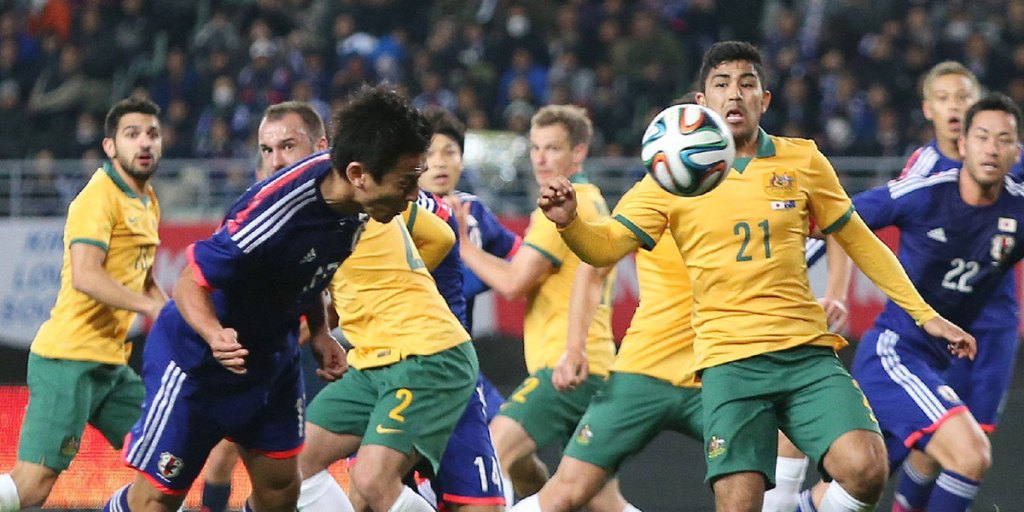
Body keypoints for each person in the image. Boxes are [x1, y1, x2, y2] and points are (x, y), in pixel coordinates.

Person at [536, 41, 975, 512]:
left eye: (747, 84)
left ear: (764, 100)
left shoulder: (802, 160)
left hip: (805, 354)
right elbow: (603, 248)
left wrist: (925, 315)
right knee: (740, 504)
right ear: (701, 104)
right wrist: (570, 222)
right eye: (721, 84)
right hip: (730, 364)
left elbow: (859, 240)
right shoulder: (672, 177)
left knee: (867, 467)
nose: (735, 94)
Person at [100, 85, 433, 512]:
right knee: (156, 501)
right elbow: (188, 283)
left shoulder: (356, 202)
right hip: (199, 363)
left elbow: (311, 270)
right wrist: (215, 334)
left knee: (280, 491)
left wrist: (318, 332)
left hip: (272, 362)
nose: (411, 196)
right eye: (405, 183)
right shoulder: (273, 215)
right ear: (358, 174)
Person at [846, 94, 1024, 512]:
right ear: (962, 145)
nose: (992, 148)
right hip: (894, 351)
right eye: (982, 137)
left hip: (938, 361)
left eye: (1004, 140)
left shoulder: (1018, 208)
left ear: (1017, 152)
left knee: (856, 487)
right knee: (970, 454)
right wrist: (834, 290)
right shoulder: (925, 194)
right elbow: (840, 219)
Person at [455, 105, 631, 510]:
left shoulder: (564, 208)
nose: (541, 158)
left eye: (552, 148)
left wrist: (463, 247)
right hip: (594, 367)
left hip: (565, 368)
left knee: (489, 451)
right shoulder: (593, 201)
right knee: (603, 503)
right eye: (535, 148)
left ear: (579, 153)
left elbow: (514, 283)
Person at [0, 97, 168, 512]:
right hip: (68, 361)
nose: (144, 143)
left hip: (110, 366)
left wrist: (181, 320)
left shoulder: (147, 201)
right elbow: (86, 275)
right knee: (32, 487)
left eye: (152, 134)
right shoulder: (98, 197)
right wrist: (151, 311)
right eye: (132, 135)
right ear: (110, 147)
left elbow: (144, 281)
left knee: (164, 462)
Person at [198, 100, 332, 512]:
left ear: (321, 148)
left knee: (282, 481)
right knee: (216, 458)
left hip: (290, 355)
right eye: (267, 153)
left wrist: (321, 328)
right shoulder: (251, 218)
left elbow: (317, 283)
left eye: (288, 148)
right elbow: (194, 282)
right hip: (241, 354)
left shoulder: (342, 214)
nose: (275, 163)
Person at [419, 106, 522, 420]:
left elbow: (521, 257)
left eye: (449, 151)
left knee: (505, 440)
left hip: (460, 361)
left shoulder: (473, 211)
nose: (439, 161)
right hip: (414, 359)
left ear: (462, 160)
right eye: (429, 153)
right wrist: (480, 275)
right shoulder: (402, 214)